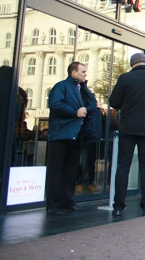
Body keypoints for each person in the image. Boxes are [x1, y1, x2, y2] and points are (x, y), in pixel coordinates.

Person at [110, 53, 145, 216]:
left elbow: (114, 102)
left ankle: (118, 206)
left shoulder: (125, 78)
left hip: (127, 127)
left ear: (132, 64)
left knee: (123, 166)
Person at [45, 62, 101, 215]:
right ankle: (52, 204)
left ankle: (67, 201)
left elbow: (89, 107)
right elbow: (55, 104)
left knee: (71, 170)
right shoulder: (61, 86)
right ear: (73, 73)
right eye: (83, 71)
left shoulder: (82, 89)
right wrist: (74, 112)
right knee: (56, 170)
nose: (85, 74)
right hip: (61, 134)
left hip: (77, 134)